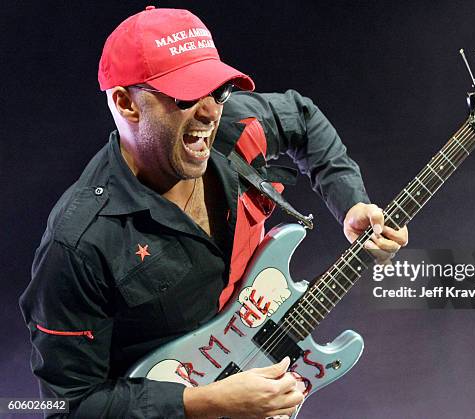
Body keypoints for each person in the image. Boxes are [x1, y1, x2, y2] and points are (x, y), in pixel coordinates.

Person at [20, 6, 408, 418]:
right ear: (125, 103)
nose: (210, 111)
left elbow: (305, 120)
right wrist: (209, 402)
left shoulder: (232, 128)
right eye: (185, 96)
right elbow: (71, 407)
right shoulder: (78, 244)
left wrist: (350, 204)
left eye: (218, 90)